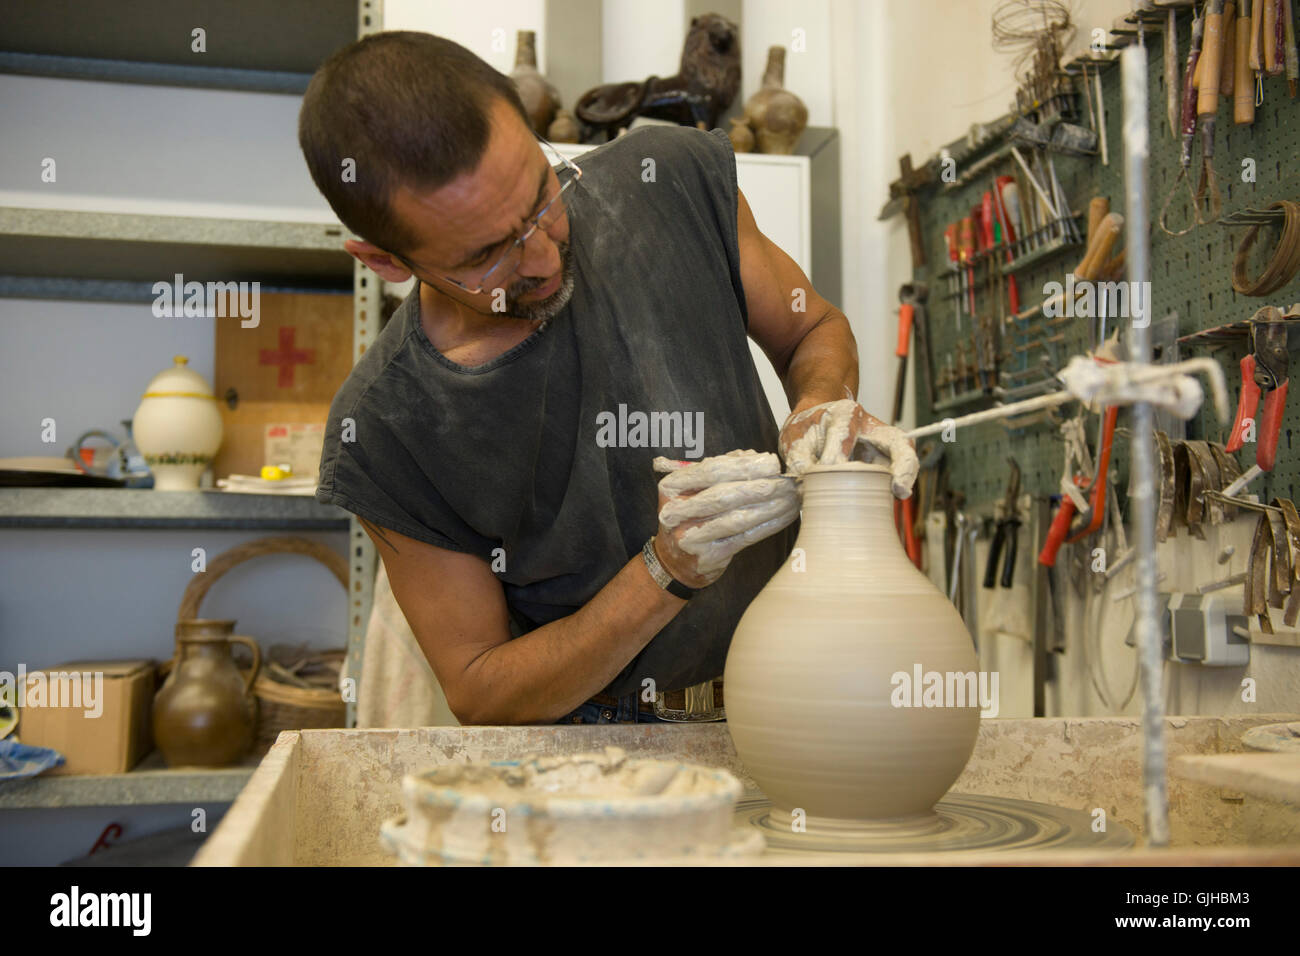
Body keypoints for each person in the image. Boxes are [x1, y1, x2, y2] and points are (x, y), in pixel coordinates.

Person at [298, 32, 917, 725]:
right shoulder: (388, 424)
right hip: (596, 752)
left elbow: (812, 328)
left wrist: (821, 405)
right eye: (486, 254)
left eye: (540, 196)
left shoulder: (669, 179)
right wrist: (666, 571)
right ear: (383, 261)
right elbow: (481, 689)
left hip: (793, 685)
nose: (541, 256)